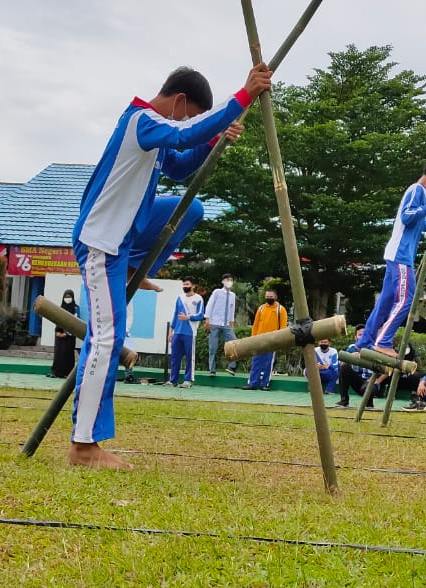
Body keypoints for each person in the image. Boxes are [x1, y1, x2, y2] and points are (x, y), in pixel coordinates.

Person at [69, 64, 272, 470]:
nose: (186, 122)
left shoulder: (156, 135)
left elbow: (180, 165)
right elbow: (183, 135)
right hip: (102, 243)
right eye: (190, 114)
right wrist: (243, 97)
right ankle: (83, 446)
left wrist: (214, 138)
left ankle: (138, 269)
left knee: (191, 208)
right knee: (107, 338)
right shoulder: (143, 120)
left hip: (128, 236)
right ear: (179, 102)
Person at [354, 157, 426, 357]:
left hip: (397, 254)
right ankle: (383, 340)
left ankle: (363, 342)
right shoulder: (417, 190)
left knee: (385, 303)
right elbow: (407, 216)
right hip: (401, 255)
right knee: (407, 298)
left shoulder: (421, 194)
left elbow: (414, 223)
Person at [243, 289, 288, 391]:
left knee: (268, 363)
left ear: (275, 297)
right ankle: (252, 383)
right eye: (267, 296)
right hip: (259, 340)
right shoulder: (261, 308)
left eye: (271, 297)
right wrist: (253, 338)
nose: (269, 298)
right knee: (256, 362)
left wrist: (279, 341)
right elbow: (255, 324)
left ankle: (264, 384)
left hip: (272, 341)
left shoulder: (280, 310)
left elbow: (283, 327)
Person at [166, 277, 204, 388]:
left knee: (189, 357)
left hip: (190, 332)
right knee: (174, 357)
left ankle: (188, 380)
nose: (185, 286)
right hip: (177, 331)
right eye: (184, 284)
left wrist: (188, 317)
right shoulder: (180, 298)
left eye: (187, 284)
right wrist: (170, 331)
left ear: (193, 286)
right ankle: (173, 380)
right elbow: (175, 315)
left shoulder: (198, 299)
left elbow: (200, 315)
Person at [205, 273, 238, 376]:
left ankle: (232, 366)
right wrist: (207, 319)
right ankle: (212, 370)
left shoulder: (233, 295)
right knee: (213, 347)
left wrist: (231, 322)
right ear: (223, 281)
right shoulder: (217, 292)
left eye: (231, 280)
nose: (229, 282)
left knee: (234, 343)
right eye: (227, 280)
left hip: (226, 324)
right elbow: (210, 305)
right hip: (214, 322)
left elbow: (232, 309)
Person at [332, 325, 372, 409]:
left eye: (364, 334)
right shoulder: (351, 348)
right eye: (360, 335)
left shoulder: (374, 349)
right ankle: (344, 400)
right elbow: (341, 364)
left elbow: (383, 368)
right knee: (344, 367)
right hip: (357, 380)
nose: (362, 337)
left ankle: (369, 403)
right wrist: (351, 357)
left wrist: (377, 380)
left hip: (370, 380)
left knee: (367, 388)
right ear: (355, 337)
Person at [51, 289, 80, 378]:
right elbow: (57, 320)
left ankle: (67, 373)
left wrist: (67, 333)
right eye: (66, 297)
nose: (67, 299)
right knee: (58, 354)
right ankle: (56, 372)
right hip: (59, 335)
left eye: (69, 297)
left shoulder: (76, 308)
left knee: (68, 354)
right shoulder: (60, 307)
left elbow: (77, 321)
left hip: (70, 336)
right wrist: (58, 332)